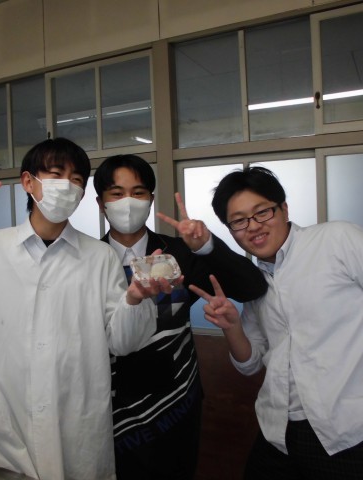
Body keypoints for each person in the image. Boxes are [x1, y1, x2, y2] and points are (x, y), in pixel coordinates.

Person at [0, 138, 175, 480]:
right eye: (56, 174)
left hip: (76, 423)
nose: (67, 186)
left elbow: (122, 342)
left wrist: (134, 299)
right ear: (28, 181)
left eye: (76, 180)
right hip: (3, 422)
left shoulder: (99, 257)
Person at [188, 166, 363, 479]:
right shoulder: (256, 281)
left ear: (284, 209)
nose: (253, 226)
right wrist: (231, 327)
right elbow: (250, 363)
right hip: (279, 433)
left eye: (262, 212)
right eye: (239, 221)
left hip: (356, 431)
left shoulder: (337, 240)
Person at [93, 154, 268, 480]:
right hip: (110, 409)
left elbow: (251, 286)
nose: (128, 202)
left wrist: (206, 246)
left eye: (138, 192)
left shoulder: (179, 254)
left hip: (175, 403)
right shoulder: (88, 261)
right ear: (101, 203)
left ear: (150, 200)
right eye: (117, 194)